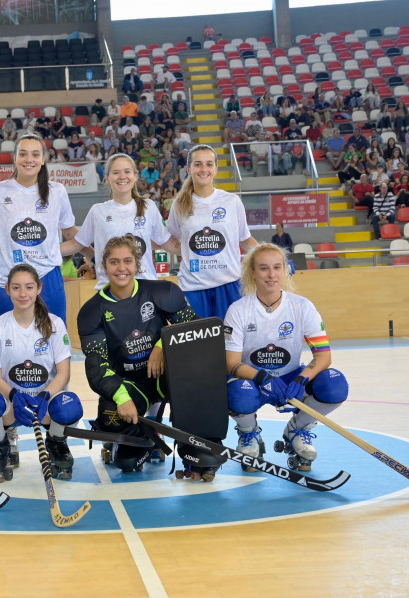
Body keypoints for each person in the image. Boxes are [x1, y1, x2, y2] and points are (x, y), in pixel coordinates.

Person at [78, 234, 200, 473]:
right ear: (103, 266)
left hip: (167, 377)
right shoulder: (92, 311)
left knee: (197, 381)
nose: (121, 268)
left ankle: (192, 449)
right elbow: (97, 365)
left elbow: (192, 327)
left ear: (137, 264)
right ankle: (144, 436)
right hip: (129, 383)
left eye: (127, 261)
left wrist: (162, 344)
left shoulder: (163, 291)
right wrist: (122, 399)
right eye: (114, 262)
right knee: (111, 422)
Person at [225, 243, 348, 471]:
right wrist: (263, 378)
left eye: (277, 267)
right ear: (252, 272)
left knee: (335, 383)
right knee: (237, 394)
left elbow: (323, 356)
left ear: (285, 270)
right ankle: (249, 435)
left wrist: (303, 378)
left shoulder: (302, 306)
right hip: (253, 380)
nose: (271, 275)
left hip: (291, 377)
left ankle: (297, 429)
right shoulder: (238, 310)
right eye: (263, 268)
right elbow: (231, 363)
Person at [0, 263, 81, 481]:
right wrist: (14, 396)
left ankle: (56, 443)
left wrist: (44, 396)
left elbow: (64, 374)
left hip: (45, 403)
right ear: (7, 290)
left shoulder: (55, 324)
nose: (23, 294)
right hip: (12, 404)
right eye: (16, 288)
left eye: (29, 287)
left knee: (71, 406)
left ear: (38, 288)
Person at [0, 133, 77, 323]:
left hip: (47, 278)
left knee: (53, 342)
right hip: (5, 279)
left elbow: (71, 234)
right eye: (23, 154)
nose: (29, 160)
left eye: (35, 154)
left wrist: (99, 254)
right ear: (15, 158)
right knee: (5, 342)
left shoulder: (57, 191)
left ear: (43, 160)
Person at [59, 153, 179, 290]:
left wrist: (190, 249)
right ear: (107, 179)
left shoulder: (148, 206)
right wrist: (42, 251)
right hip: (110, 288)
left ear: (135, 176)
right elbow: (76, 244)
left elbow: (166, 242)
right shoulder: (97, 211)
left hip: (145, 287)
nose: (122, 176)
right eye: (116, 172)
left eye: (127, 171)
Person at [166, 144, 258, 320]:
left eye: (209, 164)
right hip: (193, 287)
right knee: (201, 346)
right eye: (198, 164)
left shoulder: (232, 201)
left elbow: (245, 240)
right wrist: (187, 249)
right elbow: (171, 240)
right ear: (189, 169)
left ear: (216, 169)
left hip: (230, 284)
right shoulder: (178, 204)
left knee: (232, 343)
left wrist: (274, 258)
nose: (204, 169)